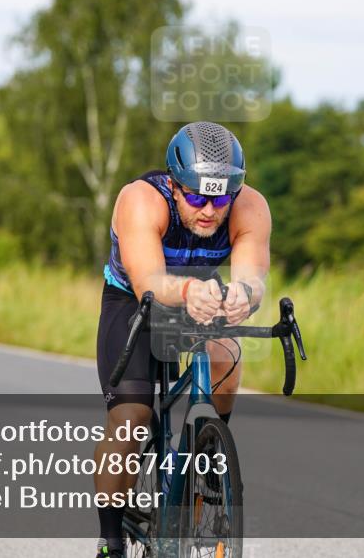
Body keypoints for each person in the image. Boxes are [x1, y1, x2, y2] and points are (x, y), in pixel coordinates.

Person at [93, 121, 271, 556]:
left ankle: (208, 452)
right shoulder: (140, 200)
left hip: (201, 292)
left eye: (220, 198)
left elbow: (253, 277)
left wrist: (243, 297)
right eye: (196, 196)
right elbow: (149, 283)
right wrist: (190, 291)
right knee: (132, 416)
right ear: (174, 185)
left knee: (227, 352)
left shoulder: (250, 206)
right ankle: (111, 539)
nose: (209, 209)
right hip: (135, 299)